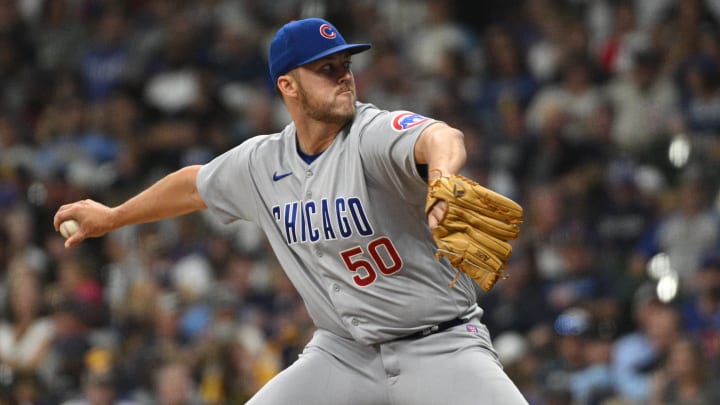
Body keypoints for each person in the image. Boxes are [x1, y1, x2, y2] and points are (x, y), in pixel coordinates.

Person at [54, 18, 528, 405]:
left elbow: (441, 137)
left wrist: (442, 177)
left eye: (345, 64)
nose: (343, 75)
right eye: (325, 68)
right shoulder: (263, 163)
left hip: (440, 344)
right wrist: (113, 216)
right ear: (288, 85)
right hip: (344, 353)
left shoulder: (371, 134)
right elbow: (193, 186)